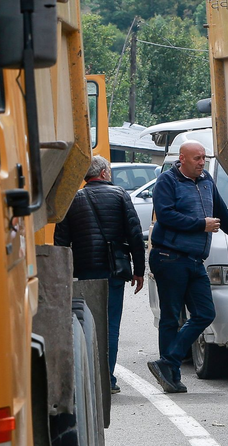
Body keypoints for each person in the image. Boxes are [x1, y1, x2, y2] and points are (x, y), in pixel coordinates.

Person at [147, 141, 228, 393]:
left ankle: (168, 361)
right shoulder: (167, 181)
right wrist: (200, 224)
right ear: (182, 159)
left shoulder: (206, 181)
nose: (201, 162)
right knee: (171, 316)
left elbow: (223, 216)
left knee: (205, 313)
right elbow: (165, 215)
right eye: (196, 158)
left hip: (195, 260)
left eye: (204, 158)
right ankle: (171, 377)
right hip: (169, 257)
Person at [55, 155, 145, 394]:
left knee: (87, 323)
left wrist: (64, 273)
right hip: (114, 270)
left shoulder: (72, 199)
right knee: (110, 325)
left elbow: (61, 241)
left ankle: (89, 377)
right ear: (104, 173)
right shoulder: (120, 195)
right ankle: (107, 379)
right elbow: (135, 234)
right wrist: (139, 271)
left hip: (84, 271)